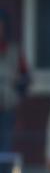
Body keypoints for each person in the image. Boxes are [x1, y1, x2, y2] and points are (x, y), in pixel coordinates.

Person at [0, 10, 29, 153]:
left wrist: (17, 93)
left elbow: (26, 77)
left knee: (5, 142)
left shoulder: (14, 51)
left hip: (7, 106)